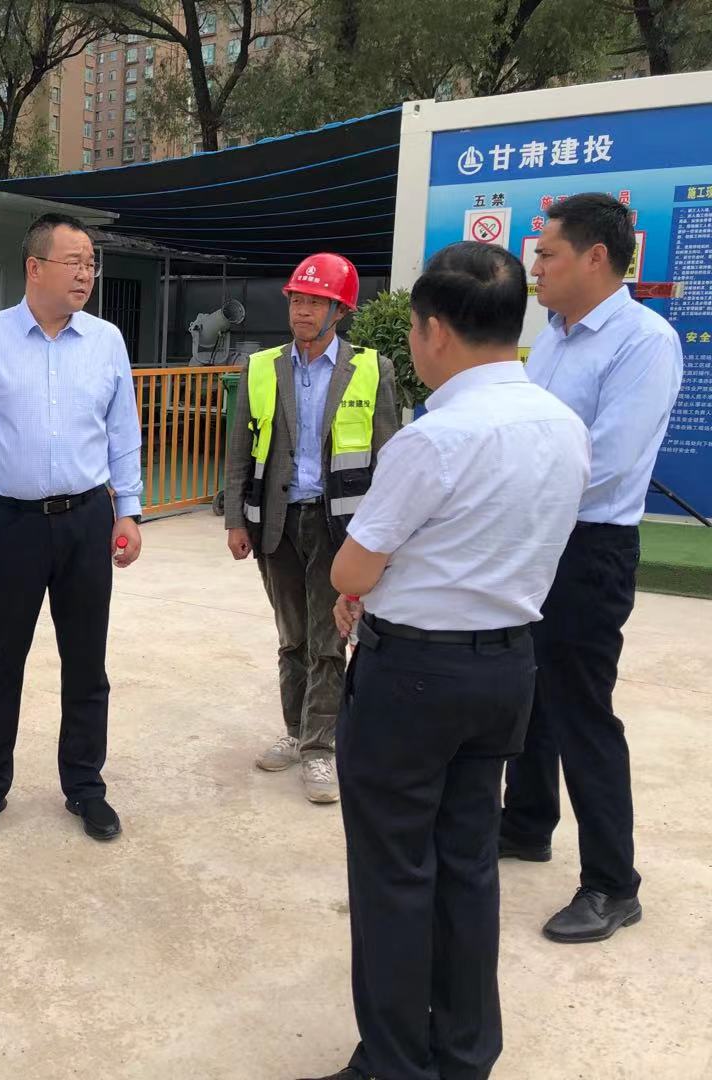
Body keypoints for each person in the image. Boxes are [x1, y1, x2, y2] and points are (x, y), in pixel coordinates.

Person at [298, 242, 590, 1080]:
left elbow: (353, 568)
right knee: (467, 865)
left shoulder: (435, 438)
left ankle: (394, 1063)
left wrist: (360, 587)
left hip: (413, 680)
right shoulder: (563, 426)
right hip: (506, 671)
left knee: (394, 873)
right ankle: (465, 1053)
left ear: (433, 332)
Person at [500, 193, 683, 944]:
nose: (535, 268)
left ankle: (612, 884)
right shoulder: (551, 338)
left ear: (596, 257)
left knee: (582, 709)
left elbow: (606, 463)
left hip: (589, 546)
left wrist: (508, 489)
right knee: (527, 692)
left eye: (546, 254)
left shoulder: (644, 342)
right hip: (535, 536)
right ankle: (526, 824)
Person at [0, 212, 143, 843]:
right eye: (73, 261)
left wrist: (129, 509)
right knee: (1, 661)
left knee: (87, 662)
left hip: (87, 520)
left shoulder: (106, 341)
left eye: (91, 263)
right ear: (35, 267)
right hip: (11, 524)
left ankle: (85, 786)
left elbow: (122, 430)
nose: (86, 274)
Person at [223, 254, 398, 803]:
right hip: (276, 523)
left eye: (315, 302)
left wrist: (381, 537)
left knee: (328, 640)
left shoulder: (372, 369)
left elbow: (389, 456)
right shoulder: (262, 368)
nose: (302, 311)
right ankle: (296, 730)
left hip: (338, 526)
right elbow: (238, 450)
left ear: (339, 311)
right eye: (297, 300)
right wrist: (236, 520)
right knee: (291, 638)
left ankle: (321, 748)